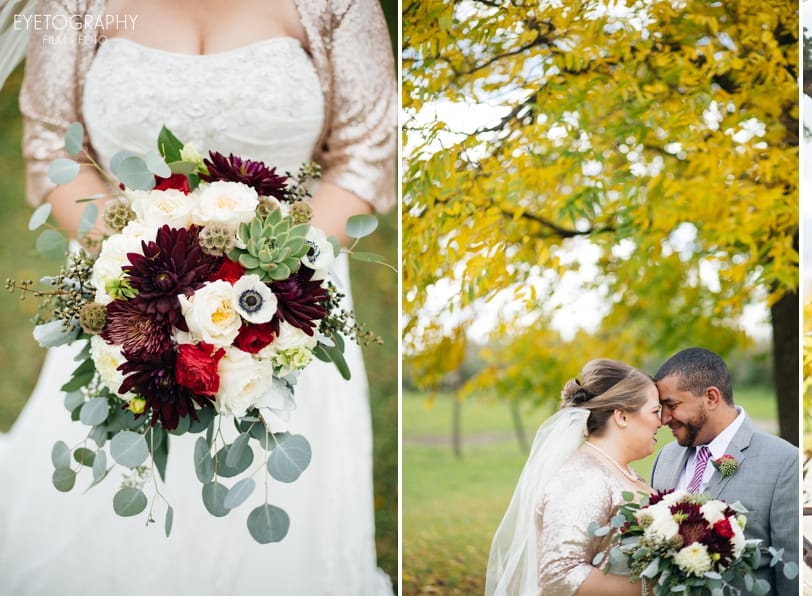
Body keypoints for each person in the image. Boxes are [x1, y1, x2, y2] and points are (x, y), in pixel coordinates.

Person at [0, 1, 395, 594]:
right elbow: (53, 145)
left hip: (289, 296)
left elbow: (365, 153)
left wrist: (264, 281)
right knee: (103, 518)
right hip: (126, 303)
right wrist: (133, 271)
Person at [486, 359, 662, 596]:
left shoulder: (622, 471)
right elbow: (559, 575)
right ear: (622, 416)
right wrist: (656, 587)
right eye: (655, 411)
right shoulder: (583, 478)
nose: (662, 421)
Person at [650, 347, 800, 596]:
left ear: (711, 398)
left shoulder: (783, 462)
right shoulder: (665, 457)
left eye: (671, 405)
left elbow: (791, 577)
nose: (664, 418)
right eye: (661, 408)